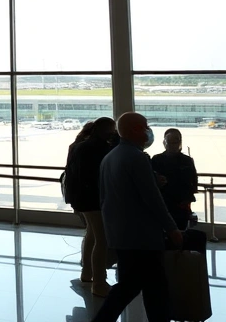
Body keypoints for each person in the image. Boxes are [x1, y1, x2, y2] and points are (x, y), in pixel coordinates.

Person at [90, 112, 183, 322]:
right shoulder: (137, 158)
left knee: (135, 285)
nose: (148, 131)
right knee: (151, 288)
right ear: (135, 130)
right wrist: (171, 228)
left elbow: (105, 198)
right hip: (142, 237)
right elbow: (153, 199)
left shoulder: (110, 157)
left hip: (122, 235)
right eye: (145, 126)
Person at [64, 116, 115, 296]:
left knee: (92, 234)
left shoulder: (79, 146)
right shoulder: (100, 149)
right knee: (101, 238)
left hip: (80, 198)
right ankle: (99, 283)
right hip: (93, 199)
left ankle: (87, 273)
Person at [151, 128, 198, 231]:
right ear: (164, 142)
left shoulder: (187, 161)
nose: (173, 145)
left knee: (181, 233)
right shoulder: (156, 160)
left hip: (181, 206)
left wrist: (187, 201)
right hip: (163, 205)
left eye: (176, 141)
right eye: (170, 142)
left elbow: (193, 183)